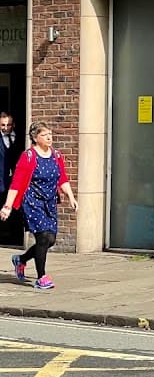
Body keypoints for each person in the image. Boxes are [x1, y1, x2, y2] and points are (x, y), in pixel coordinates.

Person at [0, 121, 78, 290]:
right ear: (35, 138)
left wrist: (71, 197)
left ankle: (20, 260)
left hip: (49, 202)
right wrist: (7, 206)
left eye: (50, 134)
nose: (49, 137)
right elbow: (16, 183)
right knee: (42, 237)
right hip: (32, 202)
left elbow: (62, 178)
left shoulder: (56, 155)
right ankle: (41, 277)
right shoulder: (28, 156)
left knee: (50, 240)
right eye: (44, 135)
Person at [0, 112, 19, 193]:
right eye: (3, 125)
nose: (6, 128)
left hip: (15, 184)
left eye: (8, 125)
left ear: (13, 125)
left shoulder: (20, 138)